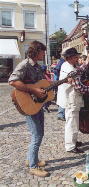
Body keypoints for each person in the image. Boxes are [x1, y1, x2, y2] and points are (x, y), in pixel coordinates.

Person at [8, 41, 49, 177]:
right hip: (28, 104)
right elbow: (13, 81)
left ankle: (33, 159)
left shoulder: (37, 66)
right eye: (43, 51)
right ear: (36, 51)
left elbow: (41, 85)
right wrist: (33, 89)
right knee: (36, 135)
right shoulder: (25, 64)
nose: (44, 53)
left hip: (38, 104)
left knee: (40, 133)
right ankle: (32, 166)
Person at [56, 48, 89, 153]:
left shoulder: (67, 65)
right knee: (71, 123)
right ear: (70, 58)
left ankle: (73, 141)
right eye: (76, 56)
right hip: (71, 99)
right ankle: (70, 146)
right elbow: (79, 87)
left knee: (73, 122)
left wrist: (88, 60)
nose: (77, 58)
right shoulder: (70, 69)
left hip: (70, 98)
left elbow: (80, 69)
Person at [54, 55, 66, 121]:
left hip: (61, 82)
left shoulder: (62, 62)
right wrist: (60, 77)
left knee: (62, 98)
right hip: (62, 82)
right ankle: (61, 114)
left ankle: (61, 114)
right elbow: (56, 71)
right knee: (63, 98)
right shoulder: (62, 62)